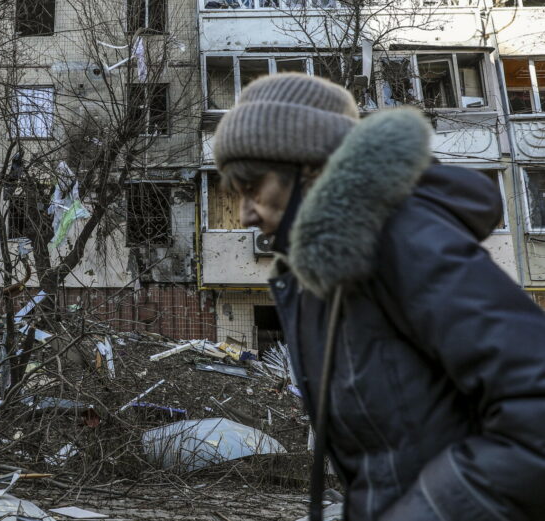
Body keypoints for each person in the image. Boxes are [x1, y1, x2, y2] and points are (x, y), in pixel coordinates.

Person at [212, 72, 545, 520]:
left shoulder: (403, 239)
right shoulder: (327, 274)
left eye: (253, 189)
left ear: (309, 167)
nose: (245, 214)